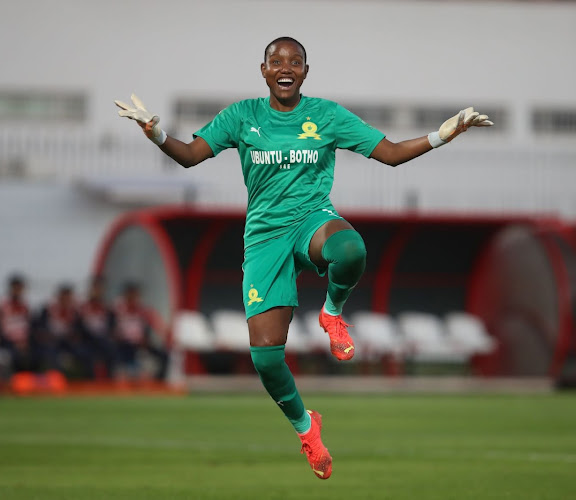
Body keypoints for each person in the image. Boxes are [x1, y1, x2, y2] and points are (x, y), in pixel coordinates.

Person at [115, 36, 493, 479]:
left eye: (295, 61)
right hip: (265, 237)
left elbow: (389, 154)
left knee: (351, 249)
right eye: (277, 61)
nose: (285, 67)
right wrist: (155, 133)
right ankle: (306, 429)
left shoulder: (326, 115)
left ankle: (332, 315)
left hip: (312, 217)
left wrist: (443, 134)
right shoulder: (242, 116)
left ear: (306, 71)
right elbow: (190, 157)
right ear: (263, 70)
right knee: (266, 359)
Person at [33, 283, 94, 378]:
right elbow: (40, 328)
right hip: (52, 340)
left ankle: (86, 379)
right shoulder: (49, 309)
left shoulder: (74, 311)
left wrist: (76, 336)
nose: (66, 299)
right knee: (50, 354)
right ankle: (56, 379)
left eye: (68, 296)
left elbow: (80, 329)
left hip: (68, 341)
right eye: (64, 296)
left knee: (85, 352)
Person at [112, 282, 169, 381]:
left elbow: (155, 326)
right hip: (124, 345)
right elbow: (115, 332)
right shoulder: (118, 311)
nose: (135, 298)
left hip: (141, 344)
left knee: (164, 355)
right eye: (133, 295)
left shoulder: (142, 311)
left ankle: (159, 383)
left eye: (136, 295)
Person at [0, 274, 34, 373]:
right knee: (16, 355)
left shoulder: (25, 305)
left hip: (25, 341)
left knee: (35, 353)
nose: (18, 290)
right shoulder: (2, 304)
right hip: (7, 341)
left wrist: (25, 341)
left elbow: (30, 325)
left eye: (20, 288)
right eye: (15, 288)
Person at [77, 276, 117, 379]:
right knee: (86, 357)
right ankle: (89, 383)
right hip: (87, 341)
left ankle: (109, 382)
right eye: (96, 288)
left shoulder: (107, 307)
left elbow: (111, 325)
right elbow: (78, 326)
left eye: (100, 288)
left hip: (103, 340)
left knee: (112, 352)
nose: (98, 291)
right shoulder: (83, 307)